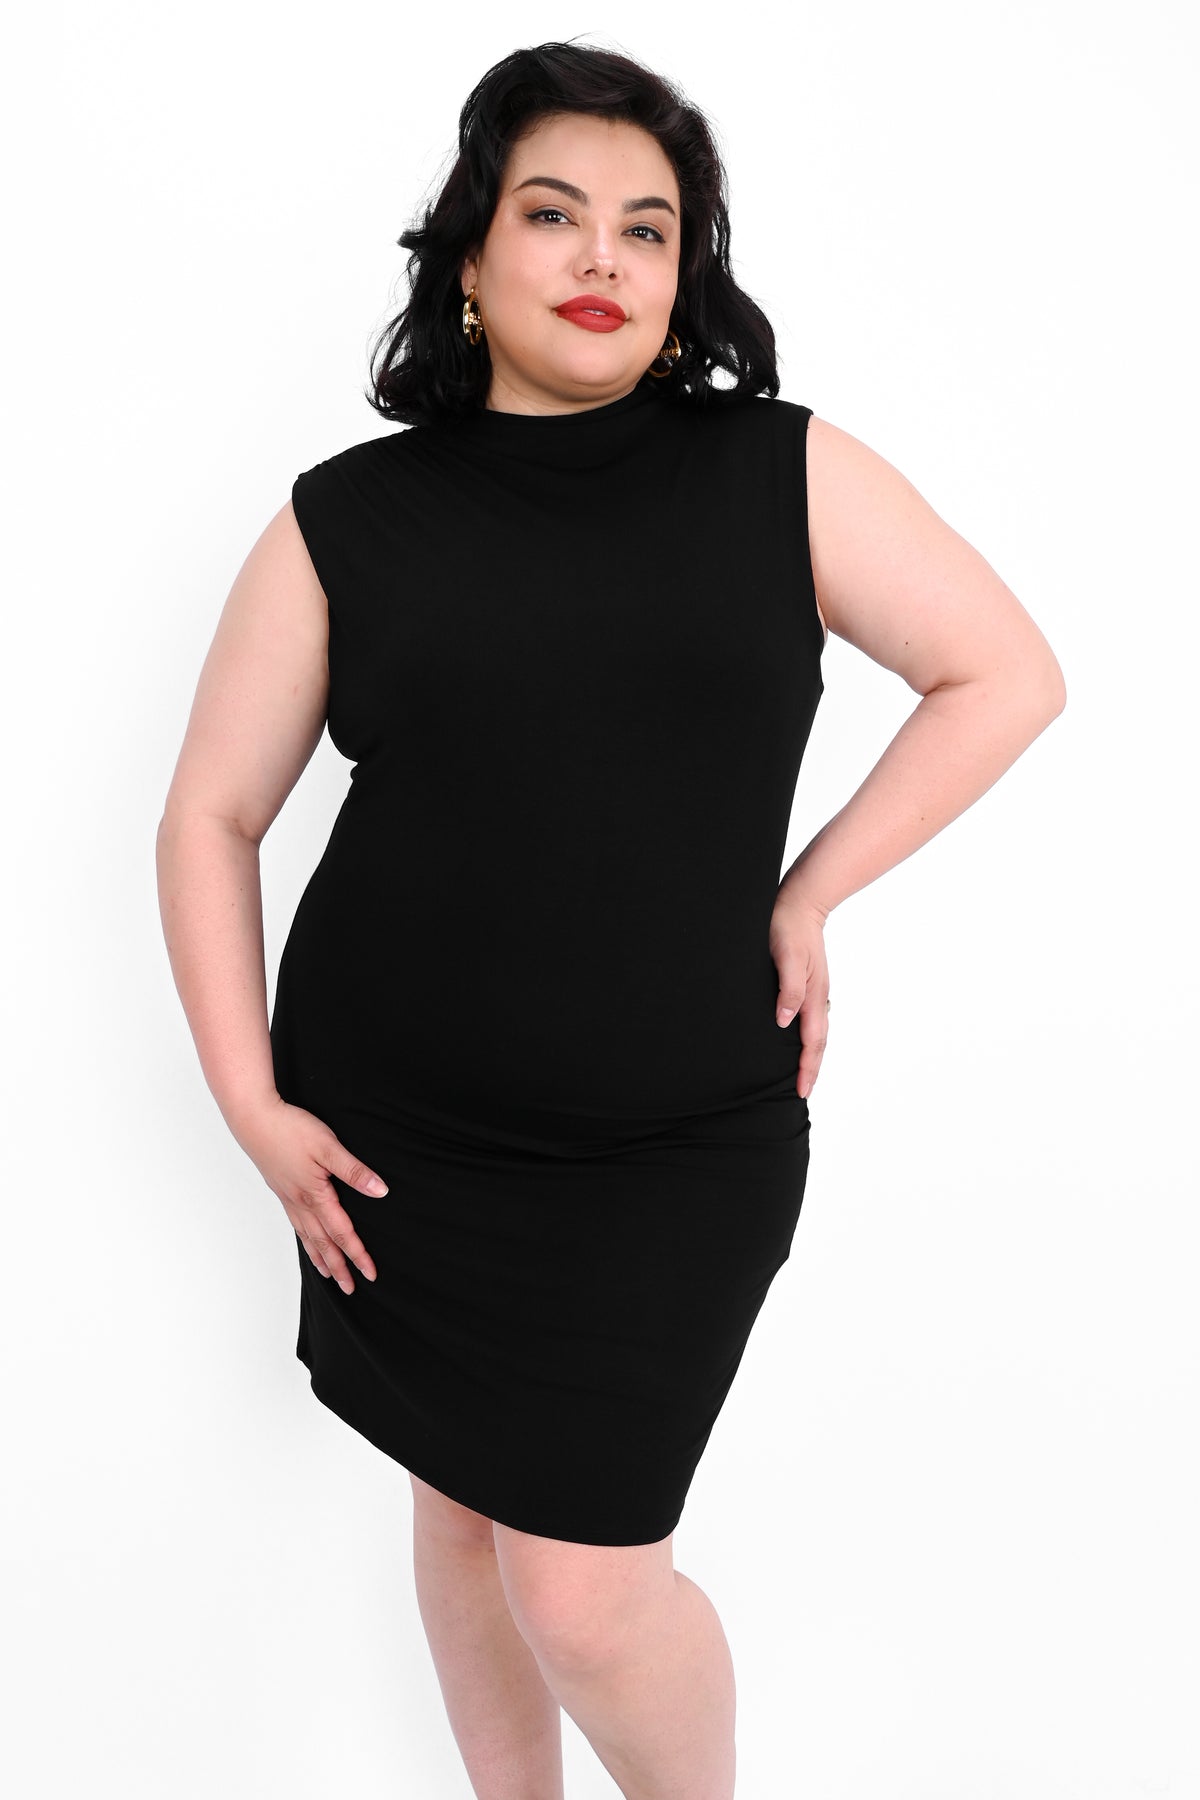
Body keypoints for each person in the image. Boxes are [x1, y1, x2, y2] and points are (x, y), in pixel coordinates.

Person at [156, 38, 1066, 1800]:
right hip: (398, 1141)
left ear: (684, 274)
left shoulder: (782, 472)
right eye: (553, 214)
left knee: (584, 1592)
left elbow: (1004, 674)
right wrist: (249, 1102)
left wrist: (812, 886)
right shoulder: (348, 519)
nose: (603, 258)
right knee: (461, 1509)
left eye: (648, 229)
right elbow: (211, 813)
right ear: (470, 258)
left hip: (676, 1137)